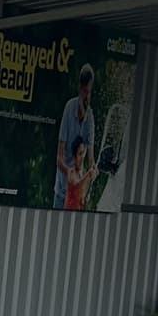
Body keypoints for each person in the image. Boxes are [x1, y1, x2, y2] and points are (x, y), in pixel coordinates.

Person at [54, 64, 95, 210]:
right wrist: (69, 172)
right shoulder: (68, 108)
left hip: (78, 198)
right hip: (62, 192)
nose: (86, 97)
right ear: (80, 89)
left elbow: (91, 161)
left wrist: (92, 172)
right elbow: (59, 158)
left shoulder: (90, 118)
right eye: (84, 92)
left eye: (89, 92)